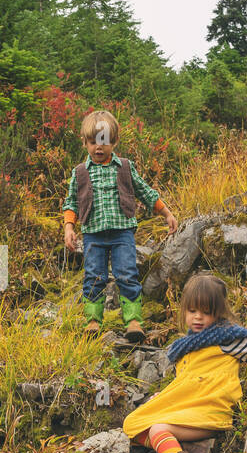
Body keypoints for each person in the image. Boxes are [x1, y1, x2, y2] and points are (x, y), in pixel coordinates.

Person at [122, 274, 247, 453]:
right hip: (188, 409)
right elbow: (187, 384)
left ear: (218, 312)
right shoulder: (184, 349)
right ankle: (192, 452)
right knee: (133, 424)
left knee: (157, 429)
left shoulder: (228, 338)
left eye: (206, 312)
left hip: (211, 409)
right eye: (192, 310)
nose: (198, 317)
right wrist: (164, 395)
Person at [62, 109, 177, 340]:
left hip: (122, 232)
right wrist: (69, 227)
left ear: (114, 142)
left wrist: (166, 213)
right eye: (93, 142)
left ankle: (133, 320)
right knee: (94, 276)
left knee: (127, 274)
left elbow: (144, 191)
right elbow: (71, 202)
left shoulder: (124, 166)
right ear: (85, 142)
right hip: (93, 234)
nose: (98, 147)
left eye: (104, 142)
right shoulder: (80, 172)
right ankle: (93, 321)